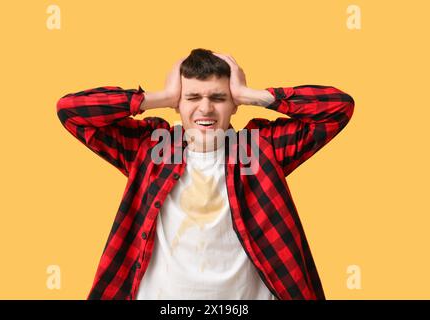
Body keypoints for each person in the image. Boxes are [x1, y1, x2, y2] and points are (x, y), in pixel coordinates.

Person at [56, 48, 355, 300]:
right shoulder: (151, 147)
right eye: (192, 97)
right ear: (177, 103)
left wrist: (252, 94)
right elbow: (71, 111)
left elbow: (339, 108)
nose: (206, 108)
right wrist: (159, 97)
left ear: (235, 104)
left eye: (219, 97)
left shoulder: (259, 149)